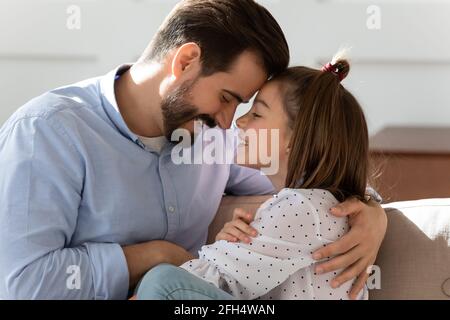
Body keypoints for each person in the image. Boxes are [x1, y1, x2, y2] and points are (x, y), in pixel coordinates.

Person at [0, 0, 386, 300]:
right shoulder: (47, 133)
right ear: (185, 62)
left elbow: (310, 174)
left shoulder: (212, 134)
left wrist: (369, 213)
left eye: (246, 106)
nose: (229, 121)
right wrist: (156, 256)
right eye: (226, 97)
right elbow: (22, 284)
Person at [135, 54, 380, 300]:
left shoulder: (302, 207)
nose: (239, 121)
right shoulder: (318, 203)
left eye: (257, 114)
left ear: (294, 141)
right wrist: (229, 247)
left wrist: (222, 254)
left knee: (163, 282)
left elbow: (206, 281)